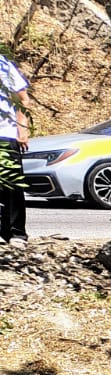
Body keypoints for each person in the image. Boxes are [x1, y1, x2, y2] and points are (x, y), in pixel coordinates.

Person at [0, 51, 30, 248]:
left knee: (11, 185)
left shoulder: (3, 65)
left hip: (5, 132)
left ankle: (16, 233)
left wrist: (22, 129)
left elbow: (22, 98)